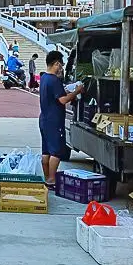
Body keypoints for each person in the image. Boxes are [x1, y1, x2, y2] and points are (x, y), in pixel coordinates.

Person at [39, 50, 84, 189]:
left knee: (46, 151)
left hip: (44, 119)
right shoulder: (54, 80)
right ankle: (52, 179)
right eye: (61, 65)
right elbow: (63, 100)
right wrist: (77, 91)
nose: (61, 68)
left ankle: (47, 178)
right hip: (54, 120)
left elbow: (57, 94)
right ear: (56, 63)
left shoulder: (44, 78)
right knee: (57, 152)